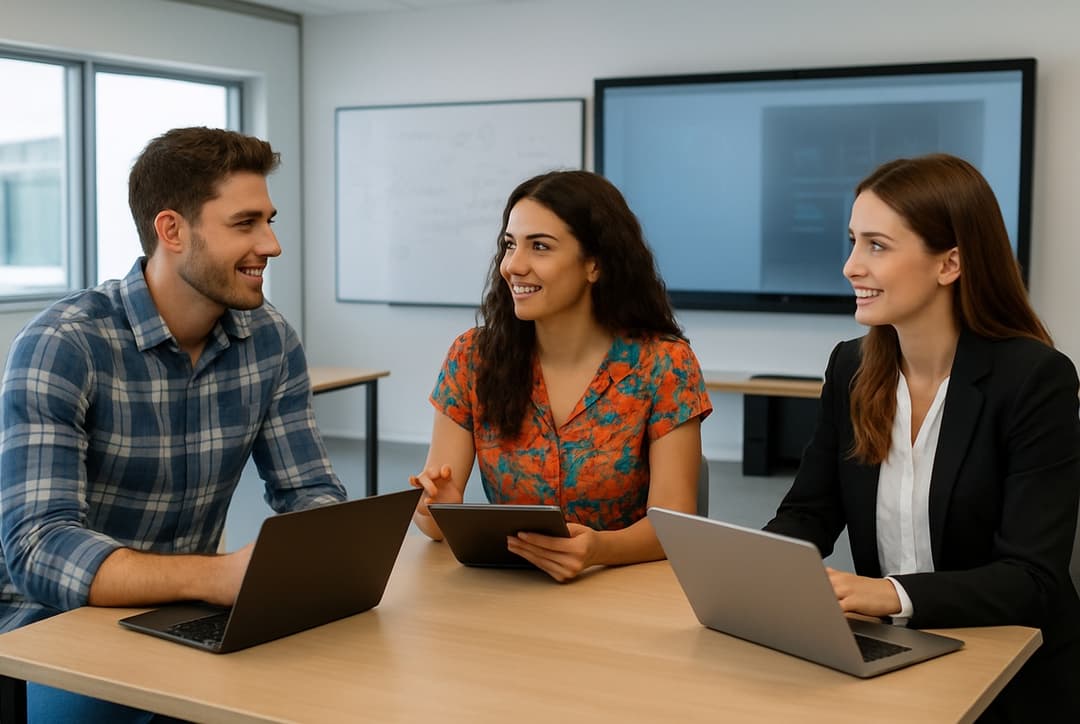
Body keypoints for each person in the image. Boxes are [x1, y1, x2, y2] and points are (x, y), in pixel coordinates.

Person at [0, 127, 347, 722]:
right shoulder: (65, 344)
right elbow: (37, 550)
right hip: (52, 626)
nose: (272, 244)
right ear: (172, 230)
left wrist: (308, 558)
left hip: (188, 613)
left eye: (270, 220)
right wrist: (219, 579)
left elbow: (309, 492)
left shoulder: (270, 340)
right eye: (246, 224)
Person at [764, 153, 1080, 722]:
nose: (850, 266)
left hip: (1014, 674)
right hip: (891, 659)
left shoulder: (1035, 379)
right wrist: (761, 572)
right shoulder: (851, 367)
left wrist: (886, 594)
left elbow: (1031, 579)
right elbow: (809, 511)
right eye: (853, 241)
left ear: (950, 263)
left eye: (876, 246)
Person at [410, 170, 712, 582]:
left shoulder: (664, 364)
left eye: (540, 247)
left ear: (594, 264)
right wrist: (436, 507)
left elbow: (674, 525)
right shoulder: (472, 358)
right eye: (509, 245)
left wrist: (598, 550)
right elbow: (433, 520)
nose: (513, 266)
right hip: (510, 589)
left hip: (624, 588)